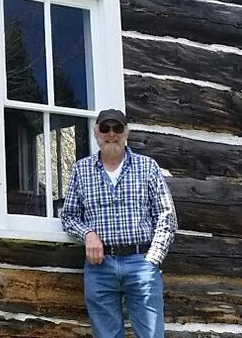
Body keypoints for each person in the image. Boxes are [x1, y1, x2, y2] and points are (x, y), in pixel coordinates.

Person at [60, 108, 177, 338]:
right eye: (105, 128)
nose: (111, 134)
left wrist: (152, 259)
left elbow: (166, 215)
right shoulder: (81, 170)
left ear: (126, 133)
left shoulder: (148, 167)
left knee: (152, 335)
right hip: (100, 267)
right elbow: (69, 216)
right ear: (96, 132)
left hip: (141, 262)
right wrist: (88, 234)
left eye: (117, 128)